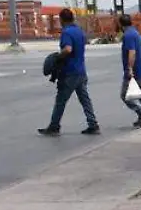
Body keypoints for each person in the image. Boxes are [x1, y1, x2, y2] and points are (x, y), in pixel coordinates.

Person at [39, 8, 99, 136]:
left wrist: (57, 57)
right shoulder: (79, 31)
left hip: (69, 73)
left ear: (61, 19)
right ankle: (93, 124)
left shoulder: (66, 32)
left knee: (61, 100)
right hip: (81, 71)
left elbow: (68, 49)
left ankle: (54, 126)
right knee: (85, 99)